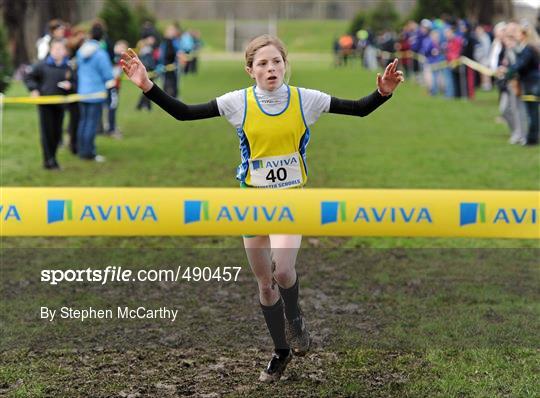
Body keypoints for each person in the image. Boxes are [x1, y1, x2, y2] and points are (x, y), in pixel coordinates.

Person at [120, 35, 403, 382]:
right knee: (265, 285)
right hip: (251, 201)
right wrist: (147, 85)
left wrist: (383, 93)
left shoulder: (306, 99)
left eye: (277, 62)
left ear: (286, 64)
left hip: (290, 200)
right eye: (263, 64)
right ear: (250, 70)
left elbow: (357, 108)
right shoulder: (237, 102)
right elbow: (184, 113)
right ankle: (280, 351)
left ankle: (295, 318)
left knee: (283, 271)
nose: (271, 69)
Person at [24, 39, 74, 169]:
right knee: (47, 133)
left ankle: (53, 157)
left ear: (64, 51)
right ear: (50, 50)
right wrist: (34, 89)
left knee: (57, 134)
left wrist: (70, 86)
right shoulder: (42, 65)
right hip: (45, 105)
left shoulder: (67, 67)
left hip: (60, 105)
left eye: (60, 49)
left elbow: (74, 83)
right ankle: (49, 161)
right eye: (55, 49)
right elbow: (28, 77)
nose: (58, 51)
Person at [76, 23, 113, 161]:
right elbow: (108, 74)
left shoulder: (80, 51)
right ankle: (89, 153)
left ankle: (81, 149)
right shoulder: (100, 54)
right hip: (96, 93)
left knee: (83, 122)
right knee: (91, 123)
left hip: (82, 92)